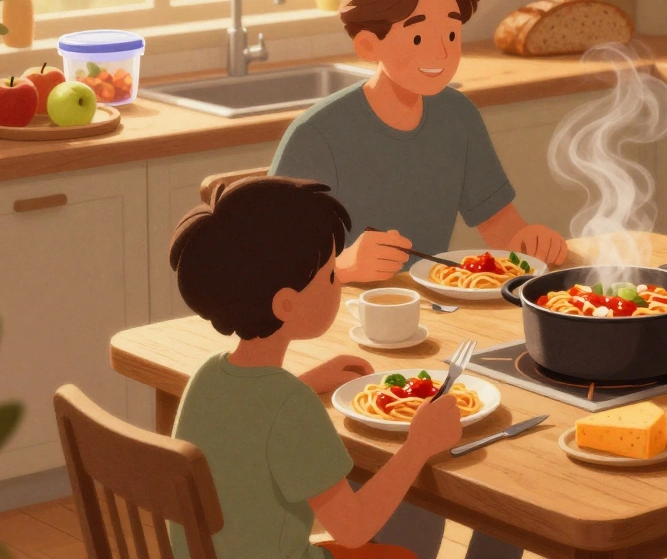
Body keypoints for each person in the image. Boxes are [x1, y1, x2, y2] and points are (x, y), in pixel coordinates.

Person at [166, 176, 461, 559]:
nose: (340, 283)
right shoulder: (290, 404)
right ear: (286, 305)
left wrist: (306, 381)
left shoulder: (209, 374)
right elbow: (353, 528)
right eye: (332, 275)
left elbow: (253, 415)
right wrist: (419, 445)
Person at [272, 0, 567, 283]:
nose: (442, 53)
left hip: (432, 307)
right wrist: (343, 268)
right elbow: (272, 262)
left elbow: (499, 225)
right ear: (369, 45)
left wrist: (528, 241)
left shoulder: (458, 117)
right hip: (338, 314)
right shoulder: (318, 135)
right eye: (417, 37)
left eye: (452, 35)